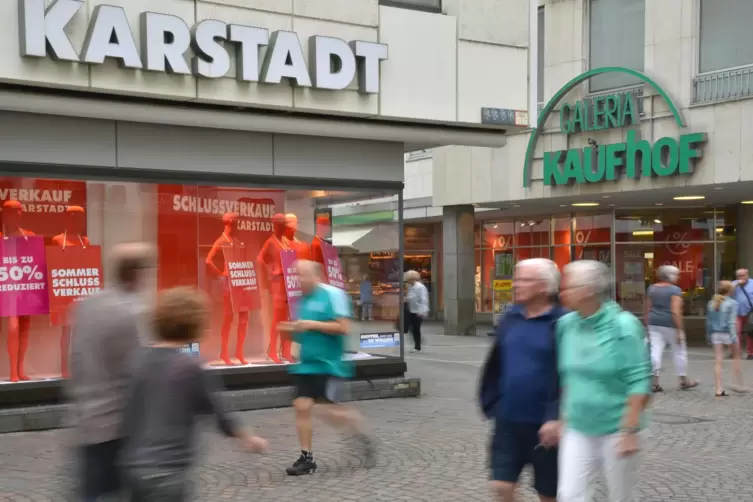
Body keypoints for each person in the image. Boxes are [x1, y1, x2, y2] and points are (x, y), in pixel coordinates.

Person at [121, 287, 268, 500]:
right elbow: (219, 413)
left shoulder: (138, 359)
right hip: (168, 470)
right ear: (194, 325)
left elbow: (127, 410)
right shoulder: (190, 366)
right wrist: (249, 437)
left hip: (134, 468)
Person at [557, 260, 652, 502]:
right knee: (569, 495)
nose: (562, 292)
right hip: (578, 427)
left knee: (621, 496)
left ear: (588, 290)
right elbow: (567, 374)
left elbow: (640, 380)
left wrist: (629, 430)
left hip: (617, 428)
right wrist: (563, 416)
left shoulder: (624, 326)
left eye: (567, 287)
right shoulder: (565, 325)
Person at [67, 242, 156, 502]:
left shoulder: (87, 304)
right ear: (139, 273)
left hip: (86, 420)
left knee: (92, 493)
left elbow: (75, 358)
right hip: (120, 426)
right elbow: (142, 370)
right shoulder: (133, 312)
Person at [478, 258, 565, 502]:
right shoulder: (510, 317)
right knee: (501, 486)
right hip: (508, 421)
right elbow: (496, 362)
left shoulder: (563, 323)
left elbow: (569, 375)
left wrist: (556, 417)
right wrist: (492, 400)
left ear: (545, 287)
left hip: (545, 426)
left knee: (549, 494)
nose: (516, 284)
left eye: (524, 280)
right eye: (516, 278)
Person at [280, 260, 375, 476]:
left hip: (329, 364)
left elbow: (344, 328)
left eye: (304, 275)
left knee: (325, 409)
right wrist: (287, 331)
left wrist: (312, 325)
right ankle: (307, 458)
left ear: (317, 276)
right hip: (307, 365)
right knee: (302, 406)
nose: (300, 280)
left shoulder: (333, 295)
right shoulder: (301, 301)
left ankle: (358, 430)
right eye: (297, 276)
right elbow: (300, 332)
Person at [645, 265, 698, 392]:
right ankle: (684, 380)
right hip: (670, 324)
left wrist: (647, 325)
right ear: (671, 276)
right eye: (677, 275)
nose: (678, 277)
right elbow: (675, 311)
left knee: (655, 351)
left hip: (654, 323)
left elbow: (647, 308)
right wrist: (679, 330)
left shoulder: (651, 289)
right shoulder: (674, 290)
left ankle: (654, 382)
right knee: (679, 351)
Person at [706, 281, 746, 396]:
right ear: (730, 291)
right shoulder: (732, 303)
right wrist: (733, 337)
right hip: (728, 333)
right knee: (736, 357)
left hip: (715, 333)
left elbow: (708, 321)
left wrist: (709, 336)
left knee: (718, 360)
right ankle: (738, 383)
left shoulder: (711, 302)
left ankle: (718, 388)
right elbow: (731, 322)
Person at [405, 270, 429, 353]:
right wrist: (406, 299)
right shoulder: (411, 287)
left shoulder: (420, 287)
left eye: (407, 279)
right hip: (412, 310)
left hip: (418, 312)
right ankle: (417, 345)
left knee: (415, 329)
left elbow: (423, 299)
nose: (406, 281)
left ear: (411, 279)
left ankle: (418, 347)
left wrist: (421, 312)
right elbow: (410, 297)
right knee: (412, 329)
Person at [732, 268, 753, 360]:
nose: (741, 277)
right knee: (737, 333)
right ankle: (737, 353)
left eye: (742, 275)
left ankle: (751, 352)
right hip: (737, 313)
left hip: (750, 312)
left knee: (750, 333)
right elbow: (726, 293)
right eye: (738, 276)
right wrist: (736, 285)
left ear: (747, 275)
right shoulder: (734, 284)